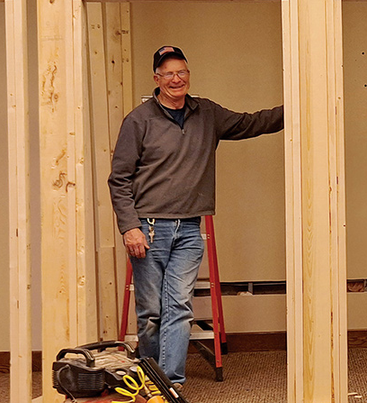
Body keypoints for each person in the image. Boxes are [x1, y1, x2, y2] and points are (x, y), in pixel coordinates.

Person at [109, 45, 284, 385]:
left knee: (180, 309)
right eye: (168, 74)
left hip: (190, 229)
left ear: (189, 75)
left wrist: (299, 106)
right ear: (157, 79)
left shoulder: (207, 113)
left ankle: (171, 386)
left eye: (182, 72)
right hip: (150, 228)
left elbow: (253, 122)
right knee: (151, 314)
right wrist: (130, 227)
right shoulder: (139, 120)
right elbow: (119, 179)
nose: (176, 79)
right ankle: (149, 383)